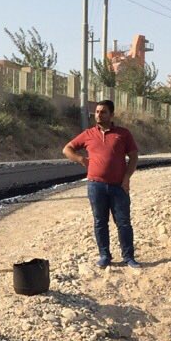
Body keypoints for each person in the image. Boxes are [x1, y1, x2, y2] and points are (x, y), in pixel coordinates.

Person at [62, 100, 140, 268]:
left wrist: (127, 177)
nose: (98, 115)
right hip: (96, 186)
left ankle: (128, 257)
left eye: (103, 112)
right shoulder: (88, 134)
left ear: (111, 115)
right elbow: (67, 148)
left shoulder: (123, 134)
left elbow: (133, 157)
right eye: (97, 112)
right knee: (100, 221)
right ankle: (105, 255)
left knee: (123, 222)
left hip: (119, 186)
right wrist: (81, 159)